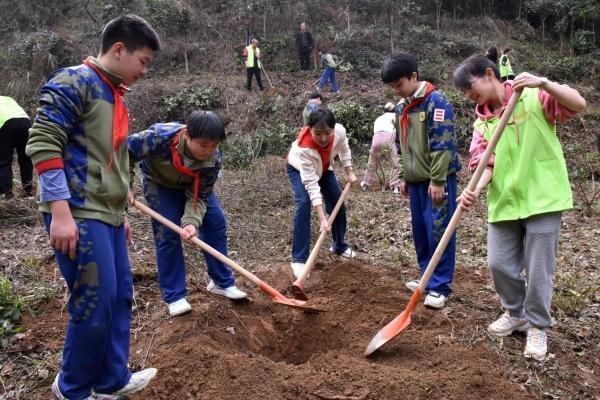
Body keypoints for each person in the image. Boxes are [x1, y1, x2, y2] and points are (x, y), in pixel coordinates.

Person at [25, 14, 161, 400]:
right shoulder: (74, 82)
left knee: (119, 296)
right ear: (119, 49)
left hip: (109, 215)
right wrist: (60, 213)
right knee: (95, 301)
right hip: (79, 212)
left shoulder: (113, 94)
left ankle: (110, 380)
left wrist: (121, 211)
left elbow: (113, 159)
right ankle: (73, 387)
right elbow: (43, 144)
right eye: (143, 62)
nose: (144, 71)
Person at [453, 55, 586, 361]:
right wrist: (474, 190)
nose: (467, 96)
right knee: (498, 264)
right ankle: (517, 313)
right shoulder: (481, 123)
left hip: (542, 197)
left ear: (489, 74)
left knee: (539, 268)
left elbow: (578, 104)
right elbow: (485, 164)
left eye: (469, 87)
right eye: (463, 93)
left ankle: (538, 326)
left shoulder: (533, 97)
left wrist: (544, 83)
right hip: (504, 202)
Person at [128, 111, 247, 317]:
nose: (209, 151)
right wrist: (125, 185)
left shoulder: (213, 159)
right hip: (159, 184)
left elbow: (200, 196)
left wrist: (191, 223)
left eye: (214, 145)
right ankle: (174, 295)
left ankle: (221, 282)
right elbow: (124, 151)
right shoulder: (159, 137)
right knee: (167, 232)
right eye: (203, 145)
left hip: (193, 186)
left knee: (215, 222)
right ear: (188, 136)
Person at [381, 52, 461, 309]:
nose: (397, 91)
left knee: (438, 229)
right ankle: (426, 276)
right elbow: (400, 144)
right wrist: (404, 175)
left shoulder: (435, 101)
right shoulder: (402, 107)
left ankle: (440, 286)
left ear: (413, 76)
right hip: (415, 181)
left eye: (399, 84)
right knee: (421, 231)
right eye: (392, 87)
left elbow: (443, 142)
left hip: (436, 180)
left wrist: (437, 180)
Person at [287, 109, 357, 278]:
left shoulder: (339, 131)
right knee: (303, 203)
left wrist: (349, 171)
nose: (324, 138)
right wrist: (323, 219)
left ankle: (339, 245)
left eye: (327, 132)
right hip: (299, 169)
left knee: (337, 202)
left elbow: (344, 149)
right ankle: (299, 259)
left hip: (324, 167)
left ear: (333, 129)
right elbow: (311, 184)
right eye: (317, 133)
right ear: (309, 129)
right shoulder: (303, 148)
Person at [360, 102, 400, 194]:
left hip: (376, 139)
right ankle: (395, 186)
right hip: (388, 139)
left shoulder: (378, 118)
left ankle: (366, 184)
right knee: (395, 164)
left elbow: (375, 131)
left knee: (372, 163)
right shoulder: (396, 116)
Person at [0, 96, 33, 198]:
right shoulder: (8, 98)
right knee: (25, 159)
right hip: (26, 122)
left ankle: (7, 195)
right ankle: (28, 192)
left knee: (4, 162)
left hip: (7, 123)